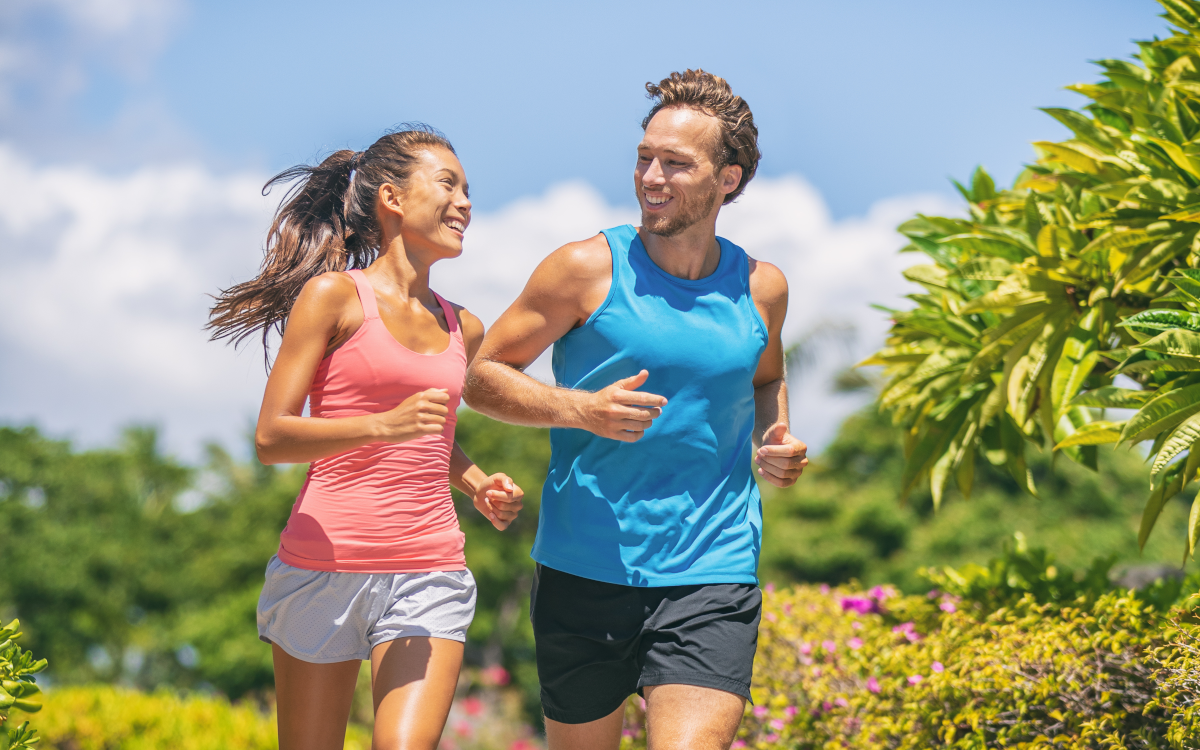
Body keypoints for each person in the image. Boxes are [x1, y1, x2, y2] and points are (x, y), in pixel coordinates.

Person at [464, 70, 809, 750]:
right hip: (583, 565)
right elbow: (481, 377)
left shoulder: (761, 288)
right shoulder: (583, 269)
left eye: (676, 164)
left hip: (712, 569)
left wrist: (778, 434)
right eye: (645, 157)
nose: (651, 176)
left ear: (728, 179)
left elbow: (766, 374)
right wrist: (579, 409)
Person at [207, 125, 524, 750]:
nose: (465, 202)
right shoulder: (333, 298)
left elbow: (432, 437)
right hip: (323, 564)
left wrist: (478, 481)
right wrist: (380, 426)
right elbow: (272, 437)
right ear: (392, 198)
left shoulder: (466, 326)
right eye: (448, 184)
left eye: (469, 190)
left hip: (428, 567)